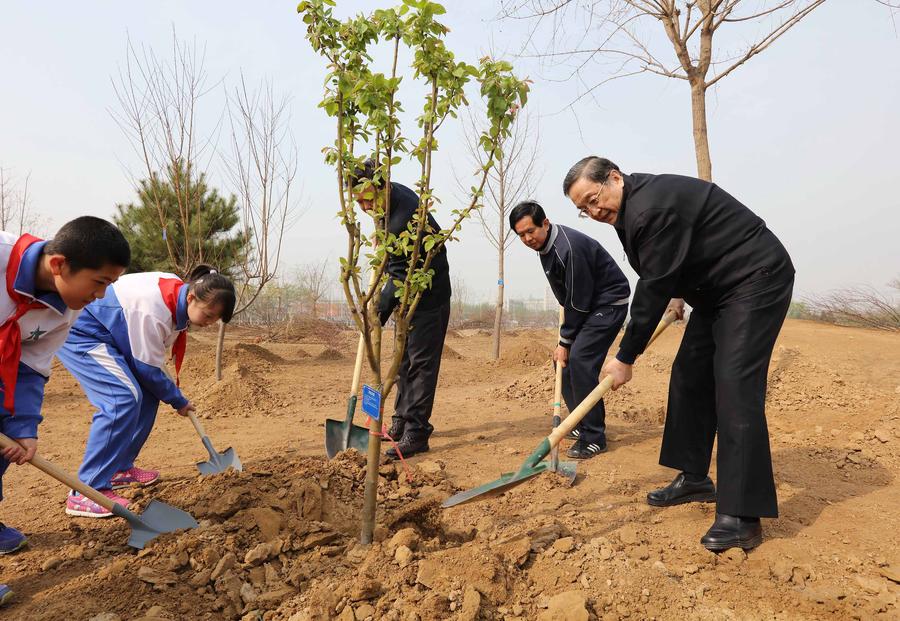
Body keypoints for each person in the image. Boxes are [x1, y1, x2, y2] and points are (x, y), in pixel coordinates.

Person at [563, 156, 795, 551]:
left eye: (593, 198)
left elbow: (650, 285)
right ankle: (694, 478)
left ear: (614, 178)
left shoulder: (651, 208)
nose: (593, 211)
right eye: (583, 209)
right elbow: (668, 263)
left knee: (735, 386)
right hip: (714, 289)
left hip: (754, 278)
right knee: (689, 374)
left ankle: (741, 517)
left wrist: (625, 356)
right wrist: (675, 293)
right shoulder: (630, 209)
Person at [0, 217, 130, 606]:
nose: (102, 296)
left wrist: (24, 427)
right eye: (99, 282)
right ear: (59, 265)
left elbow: (32, 365)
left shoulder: (66, 309)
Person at [56, 265, 235, 518]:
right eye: (208, 316)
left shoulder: (178, 295)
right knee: (122, 399)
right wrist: (178, 400)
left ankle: (119, 468)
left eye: (215, 320)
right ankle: (88, 490)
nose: (208, 323)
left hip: (114, 336)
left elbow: (149, 366)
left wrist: (168, 393)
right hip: (84, 331)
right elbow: (147, 369)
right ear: (191, 297)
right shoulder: (154, 310)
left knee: (149, 394)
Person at [509, 201, 630, 458]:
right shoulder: (545, 246)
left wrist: (565, 341)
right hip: (586, 305)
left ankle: (594, 436)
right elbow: (569, 296)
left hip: (608, 304)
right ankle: (578, 420)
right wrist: (564, 341)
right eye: (521, 235)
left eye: (531, 231)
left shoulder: (569, 248)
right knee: (561, 363)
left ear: (545, 223)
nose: (527, 238)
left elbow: (578, 300)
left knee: (580, 360)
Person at [351, 160, 451, 459]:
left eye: (367, 198)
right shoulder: (389, 201)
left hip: (428, 300)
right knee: (403, 362)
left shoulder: (402, 218)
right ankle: (399, 422)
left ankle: (417, 433)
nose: (364, 206)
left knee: (420, 366)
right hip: (407, 300)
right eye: (357, 201)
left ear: (381, 186)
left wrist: (377, 313)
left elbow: (397, 274)